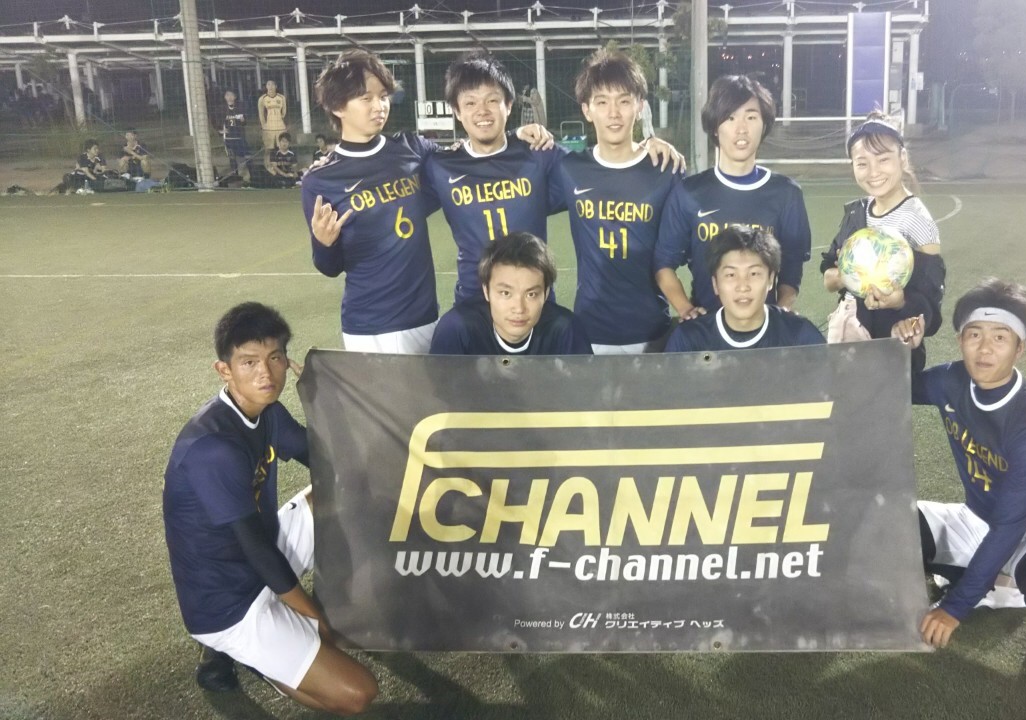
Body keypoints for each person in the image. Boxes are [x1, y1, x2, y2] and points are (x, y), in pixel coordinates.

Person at [162, 302, 377, 715]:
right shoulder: (213, 448)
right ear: (224, 370)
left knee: (345, 490)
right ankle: (244, 653)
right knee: (358, 693)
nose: (266, 373)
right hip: (228, 602)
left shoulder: (268, 413)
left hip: (261, 554)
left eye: (274, 358)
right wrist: (316, 620)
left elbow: (328, 464)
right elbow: (257, 551)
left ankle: (287, 634)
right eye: (249, 362)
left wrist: (325, 400)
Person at [304, 49, 552, 354]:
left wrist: (514, 134)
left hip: (423, 316)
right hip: (367, 322)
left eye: (383, 96)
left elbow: (471, 154)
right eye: (366, 98)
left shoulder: (413, 149)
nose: (379, 106)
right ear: (336, 106)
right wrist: (323, 243)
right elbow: (329, 267)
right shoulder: (320, 179)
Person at [893, 279, 1026, 673]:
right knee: (890, 525)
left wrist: (955, 607)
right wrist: (910, 350)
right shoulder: (951, 381)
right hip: (976, 518)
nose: (984, 349)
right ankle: (976, 573)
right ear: (960, 340)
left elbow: (1011, 524)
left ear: (1019, 348)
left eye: (1000, 337)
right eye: (974, 334)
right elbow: (904, 388)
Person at [424, 49, 680, 305]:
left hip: (536, 303)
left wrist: (645, 146)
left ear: (509, 105)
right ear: (456, 111)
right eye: (470, 103)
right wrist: (515, 133)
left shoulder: (539, 154)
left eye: (492, 100)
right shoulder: (440, 165)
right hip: (473, 303)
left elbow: (603, 166)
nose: (482, 111)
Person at [553, 48, 682, 354]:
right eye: (602, 102)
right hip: (590, 328)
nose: (613, 113)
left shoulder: (665, 169)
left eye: (624, 101)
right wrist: (521, 131)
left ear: (640, 106)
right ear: (587, 110)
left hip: (651, 328)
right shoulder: (569, 169)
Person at [655, 75, 810, 320]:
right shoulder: (688, 192)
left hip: (763, 330)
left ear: (764, 124)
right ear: (714, 127)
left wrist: (782, 311)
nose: (741, 129)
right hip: (707, 330)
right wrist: (685, 309)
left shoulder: (786, 194)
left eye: (751, 117)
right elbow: (663, 264)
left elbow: (792, 265)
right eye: (730, 118)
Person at [820, 113, 946, 374]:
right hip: (846, 343)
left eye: (883, 159)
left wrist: (900, 303)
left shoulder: (918, 222)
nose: (873, 172)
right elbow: (829, 279)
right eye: (862, 163)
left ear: (902, 158)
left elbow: (930, 313)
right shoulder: (856, 213)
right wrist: (847, 276)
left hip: (889, 356)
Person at [664, 225, 824, 352]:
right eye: (731, 275)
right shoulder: (689, 340)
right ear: (715, 284)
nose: (742, 286)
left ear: (770, 279)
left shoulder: (800, 336)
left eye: (753, 273)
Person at [431, 232, 592, 356]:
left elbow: (583, 387)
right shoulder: (455, 330)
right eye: (506, 293)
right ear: (486, 291)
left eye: (531, 294)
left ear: (546, 293)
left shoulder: (567, 331)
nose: (519, 308)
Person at [220, 90, 252, 178]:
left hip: (240, 137)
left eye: (231, 95)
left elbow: (245, 122)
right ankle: (235, 176)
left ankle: (252, 176)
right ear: (225, 97)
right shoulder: (222, 109)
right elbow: (216, 121)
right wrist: (220, 130)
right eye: (227, 95)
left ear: (235, 97)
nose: (229, 97)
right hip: (229, 139)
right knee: (232, 158)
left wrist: (243, 120)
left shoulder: (240, 108)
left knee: (248, 156)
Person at [258, 80, 288, 154]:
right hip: (268, 128)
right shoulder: (262, 99)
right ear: (266, 86)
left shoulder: (281, 97)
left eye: (272, 85)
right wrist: (263, 126)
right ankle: (268, 162)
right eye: (268, 84)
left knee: (282, 148)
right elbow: (261, 114)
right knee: (268, 150)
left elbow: (285, 112)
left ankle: (281, 161)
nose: (270, 87)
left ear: (276, 86)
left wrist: (284, 122)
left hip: (280, 127)